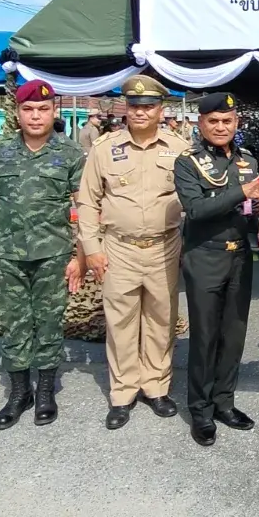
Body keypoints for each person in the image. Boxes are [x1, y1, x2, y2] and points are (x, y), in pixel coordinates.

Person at [0, 79, 86, 430]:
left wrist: (79, 257)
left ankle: (46, 391)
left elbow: (84, 208)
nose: (36, 116)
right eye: (28, 109)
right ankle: (19, 393)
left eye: (43, 109)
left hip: (54, 254)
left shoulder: (70, 153)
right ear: (18, 113)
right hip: (7, 255)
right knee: (13, 322)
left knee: (50, 322)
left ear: (53, 112)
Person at [78, 76, 190, 430]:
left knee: (161, 320)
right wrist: (92, 248)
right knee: (121, 323)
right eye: (135, 105)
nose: (141, 112)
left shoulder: (179, 148)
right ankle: (123, 392)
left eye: (149, 106)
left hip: (164, 246)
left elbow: (194, 198)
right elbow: (88, 201)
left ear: (161, 110)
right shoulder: (104, 148)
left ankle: (156, 387)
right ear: (126, 108)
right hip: (119, 248)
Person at [173, 92, 259, 446]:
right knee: (205, 337)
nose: (220, 127)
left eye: (227, 121)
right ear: (200, 123)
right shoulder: (187, 162)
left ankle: (224, 402)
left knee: (233, 334)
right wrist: (244, 192)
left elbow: (251, 212)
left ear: (236, 123)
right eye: (213, 121)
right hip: (205, 256)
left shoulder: (248, 160)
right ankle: (200, 410)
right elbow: (196, 209)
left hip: (240, 255)